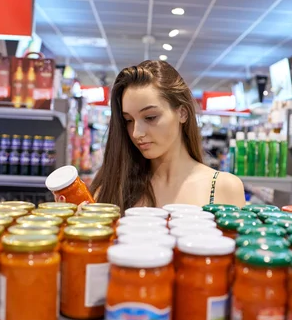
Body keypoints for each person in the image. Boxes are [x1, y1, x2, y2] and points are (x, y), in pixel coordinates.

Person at [90, 60, 246, 210]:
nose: (136, 133)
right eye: (128, 120)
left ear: (182, 113)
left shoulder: (224, 188)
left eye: (150, 117)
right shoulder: (112, 188)